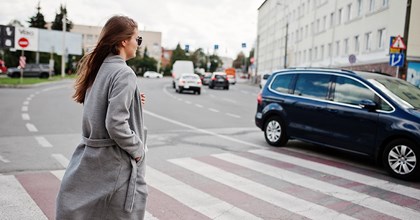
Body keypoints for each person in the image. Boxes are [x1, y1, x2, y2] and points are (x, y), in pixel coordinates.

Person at [56, 15, 148, 220]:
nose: (138, 44)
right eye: (137, 39)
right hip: (114, 160)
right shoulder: (124, 73)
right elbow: (115, 123)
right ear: (124, 41)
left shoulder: (99, 68)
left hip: (92, 157)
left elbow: (99, 106)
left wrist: (132, 100)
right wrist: (137, 149)